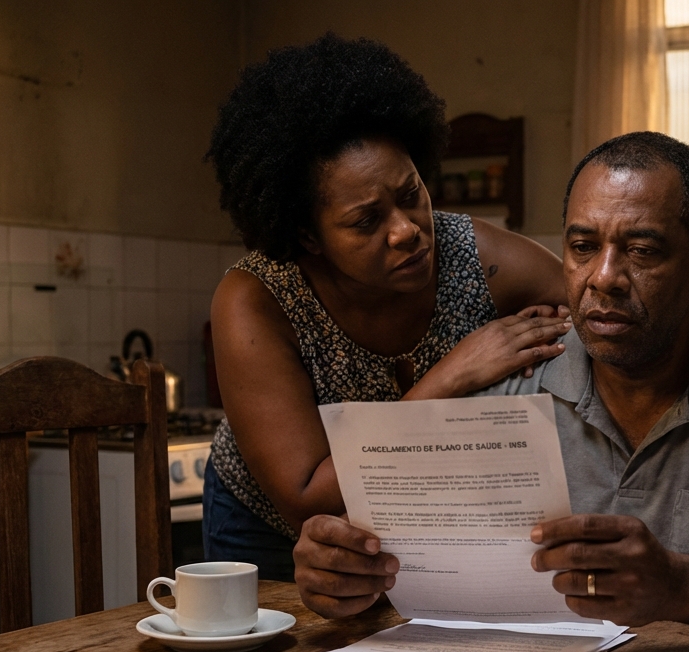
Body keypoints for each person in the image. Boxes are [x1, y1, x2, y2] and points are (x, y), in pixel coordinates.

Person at [293, 132, 689, 638]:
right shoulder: (513, 383)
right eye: (583, 247)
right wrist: (343, 574)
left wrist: (679, 585)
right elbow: (397, 564)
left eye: (642, 250)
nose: (603, 278)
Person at [202, 35, 571, 581]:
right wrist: (450, 378)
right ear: (307, 236)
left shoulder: (476, 258)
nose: (407, 231)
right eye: (366, 221)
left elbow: (600, 314)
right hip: (265, 530)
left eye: (411, 193)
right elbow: (308, 499)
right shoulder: (257, 299)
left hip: (415, 518)